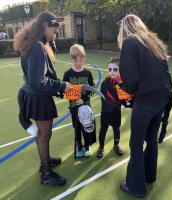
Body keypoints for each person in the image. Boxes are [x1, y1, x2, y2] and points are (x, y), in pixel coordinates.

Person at [117, 14, 172, 197]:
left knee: (136, 143)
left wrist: (125, 88)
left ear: (125, 28)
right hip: (161, 99)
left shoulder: (130, 43)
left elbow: (131, 80)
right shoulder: (152, 40)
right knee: (151, 139)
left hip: (146, 100)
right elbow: (165, 71)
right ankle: (149, 176)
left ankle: (135, 186)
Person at [14, 12, 72, 186]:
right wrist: (61, 86)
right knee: (44, 135)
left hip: (30, 95)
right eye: (54, 31)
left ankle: (45, 160)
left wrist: (58, 86)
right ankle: (46, 172)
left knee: (41, 134)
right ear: (46, 26)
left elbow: (35, 78)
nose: (54, 35)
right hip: (37, 97)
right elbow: (38, 81)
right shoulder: (37, 46)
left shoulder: (31, 43)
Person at [63, 44, 96, 158]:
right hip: (73, 107)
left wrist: (84, 99)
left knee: (86, 126)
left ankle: (87, 145)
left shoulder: (88, 73)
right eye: (75, 60)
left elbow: (92, 90)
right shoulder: (67, 74)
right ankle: (79, 146)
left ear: (83, 58)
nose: (78, 63)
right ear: (71, 59)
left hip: (86, 106)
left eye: (80, 60)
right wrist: (65, 89)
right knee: (76, 128)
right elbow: (64, 90)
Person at [96, 58, 133, 158]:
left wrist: (127, 101)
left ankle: (116, 145)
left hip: (116, 112)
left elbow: (125, 97)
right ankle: (101, 147)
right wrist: (118, 104)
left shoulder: (122, 83)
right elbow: (104, 99)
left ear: (121, 70)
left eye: (115, 69)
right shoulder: (105, 83)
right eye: (110, 69)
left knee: (116, 128)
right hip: (106, 112)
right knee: (103, 129)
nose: (112, 72)